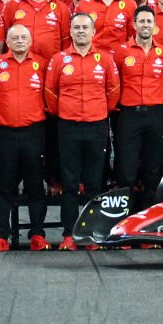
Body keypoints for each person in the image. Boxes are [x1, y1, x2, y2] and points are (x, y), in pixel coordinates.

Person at [44, 12, 119, 248]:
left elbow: (113, 92)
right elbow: (50, 93)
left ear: (93, 32)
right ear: (71, 31)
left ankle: (92, 232)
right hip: (68, 126)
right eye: (76, 27)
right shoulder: (59, 59)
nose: (80, 31)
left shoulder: (105, 59)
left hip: (97, 126)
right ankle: (69, 233)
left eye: (85, 27)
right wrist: (68, 112)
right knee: (69, 183)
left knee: (95, 183)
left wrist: (97, 112)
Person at [0, 25, 49, 251]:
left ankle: (37, 234)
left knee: (35, 186)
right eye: (15, 38)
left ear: (31, 41)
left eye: (24, 37)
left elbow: (50, 96)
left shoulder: (41, 64)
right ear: (7, 41)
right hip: (4, 135)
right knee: (3, 187)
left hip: (33, 133)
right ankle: (0, 236)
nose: (20, 41)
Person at [112, 5, 163, 208]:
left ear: (155, 26)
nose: (145, 25)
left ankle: (147, 226)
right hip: (130, 115)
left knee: (152, 170)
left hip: (156, 115)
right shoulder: (121, 52)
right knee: (126, 170)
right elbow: (116, 81)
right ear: (134, 24)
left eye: (149, 21)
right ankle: (124, 225)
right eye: (142, 21)